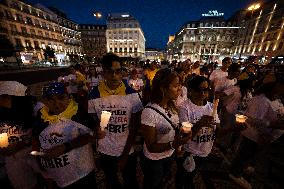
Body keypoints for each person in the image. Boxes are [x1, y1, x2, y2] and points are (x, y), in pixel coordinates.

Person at [88, 53, 143, 189]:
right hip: (105, 150)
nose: (114, 76)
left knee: (131, 182)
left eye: (118, 71)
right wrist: (97, 128)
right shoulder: (94, 95)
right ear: (103, 72)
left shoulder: (131, 94)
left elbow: (135, 127)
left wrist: (124, 155)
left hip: (126, 149)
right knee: (111, 182)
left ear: (122, 72)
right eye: (109, 72)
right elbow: (94, 120)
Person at [33, 82, 99, 189]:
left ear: (69, 97)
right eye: (51, 99)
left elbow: (92, 134)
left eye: (61, 98)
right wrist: (40, 161)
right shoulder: (41, 116)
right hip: (57, 176)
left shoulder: (78, 112)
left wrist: (65, 147)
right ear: (45, 101)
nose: (57, 104)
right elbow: (36, 139)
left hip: (82, 173)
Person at [141, 68, 191, 189]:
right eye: (175, 86)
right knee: (153, 183)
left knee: (164, 180)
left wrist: (178, 143)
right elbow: (151, 146)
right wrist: (174, 144)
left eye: (180, 85)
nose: (179, 89)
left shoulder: (171, 106)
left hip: (170, 155)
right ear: (163, 88)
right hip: (154, 160)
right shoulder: (149, 112)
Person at [228, 82, 284, 189]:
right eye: (278, 91)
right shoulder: (261, 101)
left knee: (249, 153)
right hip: (253, 133)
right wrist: (270, 125)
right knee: (245, 153)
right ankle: (235, 173)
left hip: (257, 133)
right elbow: (254, 120)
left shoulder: (267, 100)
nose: (279, 93)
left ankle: (242, 167)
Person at [177, 76, 220, 189]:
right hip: (188, 151)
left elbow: (218, 132)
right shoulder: (184, 107)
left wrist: (235, 128)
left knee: (192, 174)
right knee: (182, 176)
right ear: (190, 91)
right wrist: (199, 124)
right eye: (198, 89)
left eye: (205, 89)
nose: (202, 93)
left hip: (205, 150)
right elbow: (185, 135)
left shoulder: (212, 107)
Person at [0, 81, 40, 189]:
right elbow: (5, 149)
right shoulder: (4, 118)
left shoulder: (36, 112)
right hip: (17, 164)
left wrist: (25, 142)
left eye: (3, 97)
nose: (1, 101)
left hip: (34, 160)